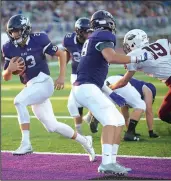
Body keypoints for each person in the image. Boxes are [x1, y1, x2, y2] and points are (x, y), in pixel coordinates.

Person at [68, 10, 152, 175]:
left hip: (89, 87)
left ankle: (112, 161)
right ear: (107, 22)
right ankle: (106, 163)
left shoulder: (94, 37)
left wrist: (110, 92)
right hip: (87, 88)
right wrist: (136, 58)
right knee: (110, 121)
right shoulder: (104, 35)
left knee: (119, 120)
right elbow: (111, 57)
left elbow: (94, 70)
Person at [2, 14, 95, 162]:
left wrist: (61, 77)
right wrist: (8, 70)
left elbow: (62, 54)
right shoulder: (8, 47)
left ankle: (26, 143)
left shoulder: (39, 38)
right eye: (12, 32)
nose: (14, 35)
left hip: (43, 82)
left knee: (18, 101)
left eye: (17, 31)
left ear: (25, 30)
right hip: (32, 88)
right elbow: (5, 77)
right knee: (52, 126)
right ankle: (86, 141)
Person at [110, 29, 171, 128]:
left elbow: (123, 82)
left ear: (133, 42)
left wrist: (110, 87)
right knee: (164, 113)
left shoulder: (134, 54)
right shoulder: (161, 43)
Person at [63, 17, 91, 134]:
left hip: (91, 73)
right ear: (79, 32)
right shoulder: (68, 40)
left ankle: (90, 116)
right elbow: (67, 53)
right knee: (75, 103)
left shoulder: (93, 41)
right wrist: (63, 68)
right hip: (76, 74)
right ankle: (79, 130)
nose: (89, 34)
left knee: (96, 96)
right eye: (87, 32)